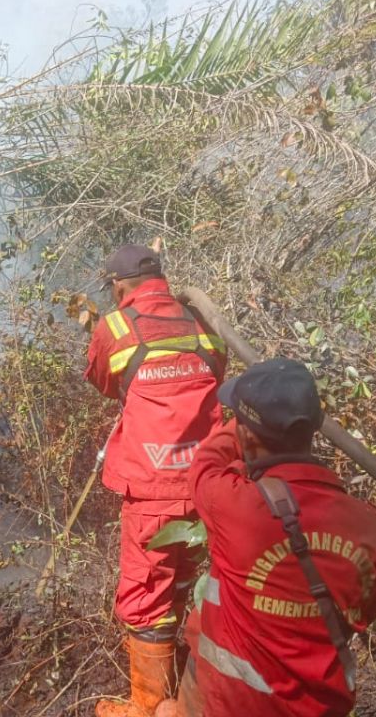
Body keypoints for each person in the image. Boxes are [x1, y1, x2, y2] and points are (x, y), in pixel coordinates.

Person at [165, 358, 376, 716]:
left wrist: (241, 424)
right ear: (313, 429)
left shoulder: (237, 507)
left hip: (226, 704)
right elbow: (366, 608)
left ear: (246, 437)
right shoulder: (373, 527)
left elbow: (206, 463)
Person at [85, 244, 228, 717]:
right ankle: (185, 694)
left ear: (118, 287)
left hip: (154, 491)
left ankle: (147, 708)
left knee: (147, 597)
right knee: (191, 581)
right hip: (213, 484)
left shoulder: (116, 327)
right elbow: (217, 374)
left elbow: (104, 381)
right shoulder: (204, 322)